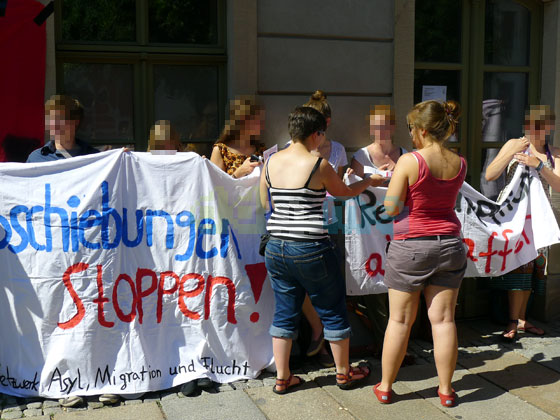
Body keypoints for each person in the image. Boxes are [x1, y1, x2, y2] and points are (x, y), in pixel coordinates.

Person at [261, 106, 386, 394]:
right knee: (332, 310)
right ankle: (344, 374)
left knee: (284, 313)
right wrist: (369, 181)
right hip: (311, 247)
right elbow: (342, 193)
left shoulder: (270, 162)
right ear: (316, 134)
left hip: (276, 246)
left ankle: (283, 377)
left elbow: (264, 203)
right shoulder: (319, 164)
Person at [374, 100, 466, 407]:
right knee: (443, 321)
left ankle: (386, 387)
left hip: (412, 245)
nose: (411, 134)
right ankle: (446, 390)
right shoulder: (459, 162)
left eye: (412, 128)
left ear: (423, 130)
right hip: (450, 243)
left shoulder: (409, 161)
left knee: (400, 321)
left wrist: (393, 192)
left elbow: (390, 207)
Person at [485, 105, 559, 341]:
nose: (533, 131)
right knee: (517, 268)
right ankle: (512, 320)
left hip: (538, 221)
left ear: (549, 127)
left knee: (533, 269)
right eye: (530, 126)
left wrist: (538, 165)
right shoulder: (514, 144)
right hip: (513, 219)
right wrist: (512, 152)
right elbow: (490, 174)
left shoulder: (554, 154)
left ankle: (523, 319)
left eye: (539, 126)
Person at [348, 105, 408, 359]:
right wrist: (352, 177)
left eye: (384, 125)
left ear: (392, 127)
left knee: (400, 288)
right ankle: (386, 345)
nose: (380, 130)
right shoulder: (361, 157)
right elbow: (352, 190)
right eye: (375, 125)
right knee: (375, 290)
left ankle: (397, 345)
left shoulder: (405, 156)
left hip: (398, 230)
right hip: (370, 235)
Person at [27, 95, 99, 163]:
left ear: (75, 121)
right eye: (50, 119)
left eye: (60, 119)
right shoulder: (36, 158)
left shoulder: (94, 157)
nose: (54, 124)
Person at [210, 96, 264, 178]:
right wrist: (239, 172)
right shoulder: (221, 151)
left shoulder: (261, 150)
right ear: (242, 121)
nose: (261, 126)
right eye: (257, 121)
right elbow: (216, 187)